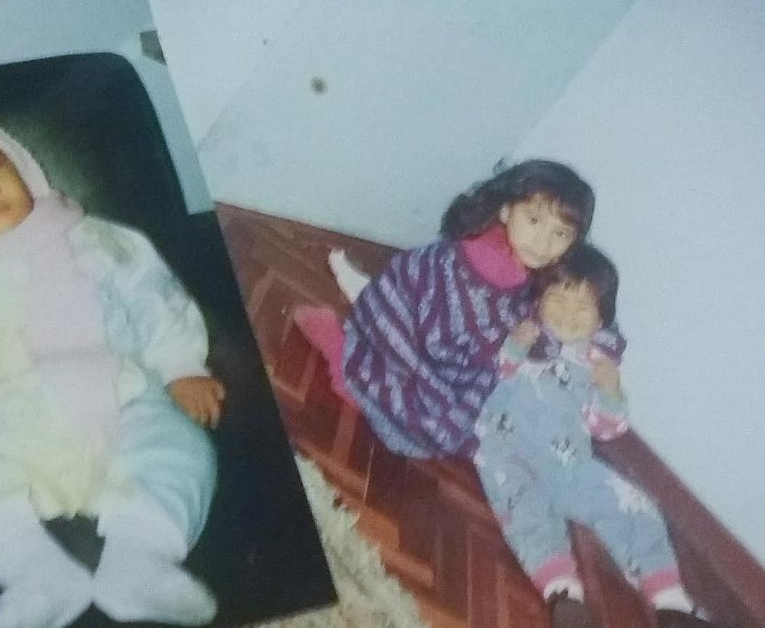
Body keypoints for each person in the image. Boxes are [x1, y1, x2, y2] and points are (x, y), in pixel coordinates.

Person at [0, 94, 222, 628]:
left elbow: (154, 295)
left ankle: (141, 560)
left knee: (180, 447)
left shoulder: (94, 236)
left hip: (119, 396)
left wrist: (181, 365)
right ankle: (33, 572)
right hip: (2, 423)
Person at [474, 244, 711, 628]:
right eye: (559, 298)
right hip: (505, 454)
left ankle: (671, 603)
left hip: (568, 464)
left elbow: (607, 428)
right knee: (528, 517)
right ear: (540, 298)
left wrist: (611, 393)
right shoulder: (524, 333)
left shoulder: (597, 364)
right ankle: (563, 595)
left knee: (634, 505)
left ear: (601, 320)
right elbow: (494, 372)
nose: (568, 313)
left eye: (583, 306)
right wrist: (516, 343)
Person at [296, 159, 595, 458]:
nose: (543, 242)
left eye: (560, 234)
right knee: (439, 428)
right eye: (534, 220)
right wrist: (498, 352)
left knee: (480, 412)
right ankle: (342, 354)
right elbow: (447, 336)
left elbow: (514, 317)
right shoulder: (479, 263)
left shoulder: (528, 266)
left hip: (434, 338)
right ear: (506, 210)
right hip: (406, 337)